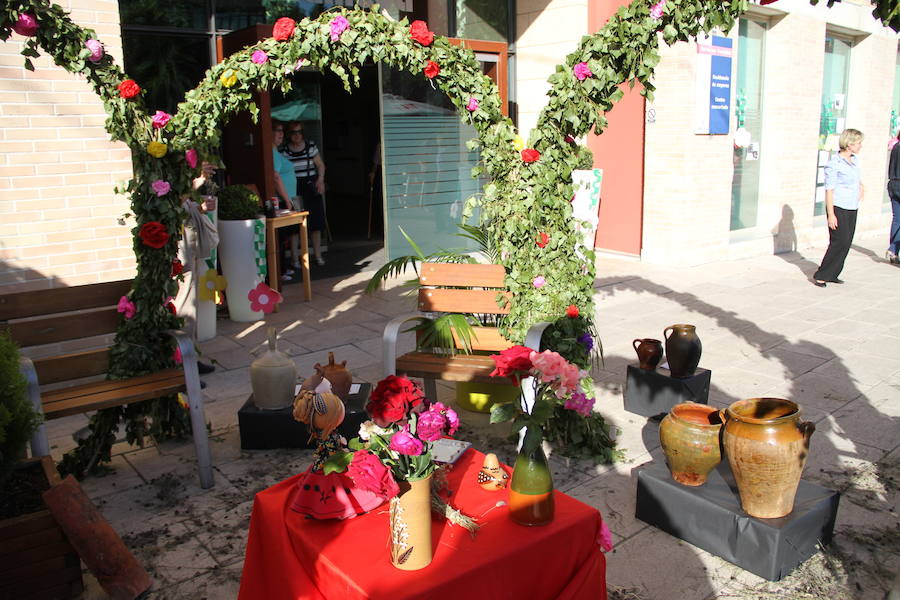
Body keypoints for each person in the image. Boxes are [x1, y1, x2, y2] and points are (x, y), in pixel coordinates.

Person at [175, 161, 219, 374]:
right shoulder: (163, 179)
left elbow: (181, 206)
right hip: (178, 256)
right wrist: (198, 181)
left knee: (190, 305)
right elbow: (172, 202)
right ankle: (182, 363)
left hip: (188, 251)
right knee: (183, 305)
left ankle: (189, 357)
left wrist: (199, 209)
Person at [812, 128, 865, 287]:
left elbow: (856, 178)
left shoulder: (854, 160)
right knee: (838, 242)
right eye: (858, 143)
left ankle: (833, 273)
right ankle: (821, 275)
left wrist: (861, 186)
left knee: (847, 241)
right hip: (838, 208)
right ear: (849, 144)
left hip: (852, 207)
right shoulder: (834, 164)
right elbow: (829, 190)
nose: (861, 146)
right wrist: (831, 214)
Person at [281, 121, 327, 266]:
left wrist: (320, 180)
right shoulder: (284, 151)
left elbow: (320, 165)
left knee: (315, 223)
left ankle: (318, 256)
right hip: (293, 188)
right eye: (294, 133)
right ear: (289, 135)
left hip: (310, 185)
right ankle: (295, 259)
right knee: (294, 225)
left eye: (300, 132)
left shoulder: (310, 146)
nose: (297, 135)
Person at [271, 121, 303, 277]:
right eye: (277, 131)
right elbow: (275, 177)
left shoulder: (276, 152)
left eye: (282, 131)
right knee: (281, 237)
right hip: (284, 200)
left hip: (287, 198)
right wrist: (287, 200)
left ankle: (282, 268)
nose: (281, 134)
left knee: (285, 236)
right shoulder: (272, 152)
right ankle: (280, 270)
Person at [886, 131, 900, 265]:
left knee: (897, 219)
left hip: (893, 184)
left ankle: (894, 252)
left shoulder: (896, 146)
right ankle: (893, 248)